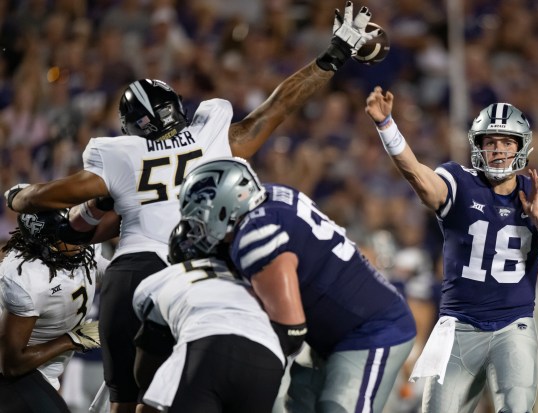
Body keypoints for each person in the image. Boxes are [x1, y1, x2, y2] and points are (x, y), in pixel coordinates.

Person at [4, 3, 380, 412]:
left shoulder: (121, 157)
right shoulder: (211, 138)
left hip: (135, 274)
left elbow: (49, 197)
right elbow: (278, 107)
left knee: (126, 404)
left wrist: (17, 195)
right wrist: (335, 55)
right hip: (198, 280)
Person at [364, 87, 538, 413]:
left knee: (516, 408)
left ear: (522, 146)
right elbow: (418, 176)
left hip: (513, 325)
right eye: (490, 143)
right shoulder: (459, 181)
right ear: (478, 147)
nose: (498, 151)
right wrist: (387, 126)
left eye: (507, 142)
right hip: (458, 326)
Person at [176, 156, 416, 413]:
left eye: (200, 211)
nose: (195, 224)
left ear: (226, 205)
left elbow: (289, 331)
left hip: (371, 331)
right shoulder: (270, 195)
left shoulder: (257, 235)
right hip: (331, 333)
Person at [131, 220, 286, 413]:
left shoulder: (164, 278)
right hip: (268, 359)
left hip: (206, 346)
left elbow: (148, 363)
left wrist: (147, 392)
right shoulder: (252, 278)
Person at [0, 209, 107, 413]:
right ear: (46, 241)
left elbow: (99, 267)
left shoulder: (79, 245)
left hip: (45, 373)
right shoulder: (26, 276)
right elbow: (11, 364)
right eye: (70, 233)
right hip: (13, 374)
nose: (81, 237)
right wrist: (72, 340)